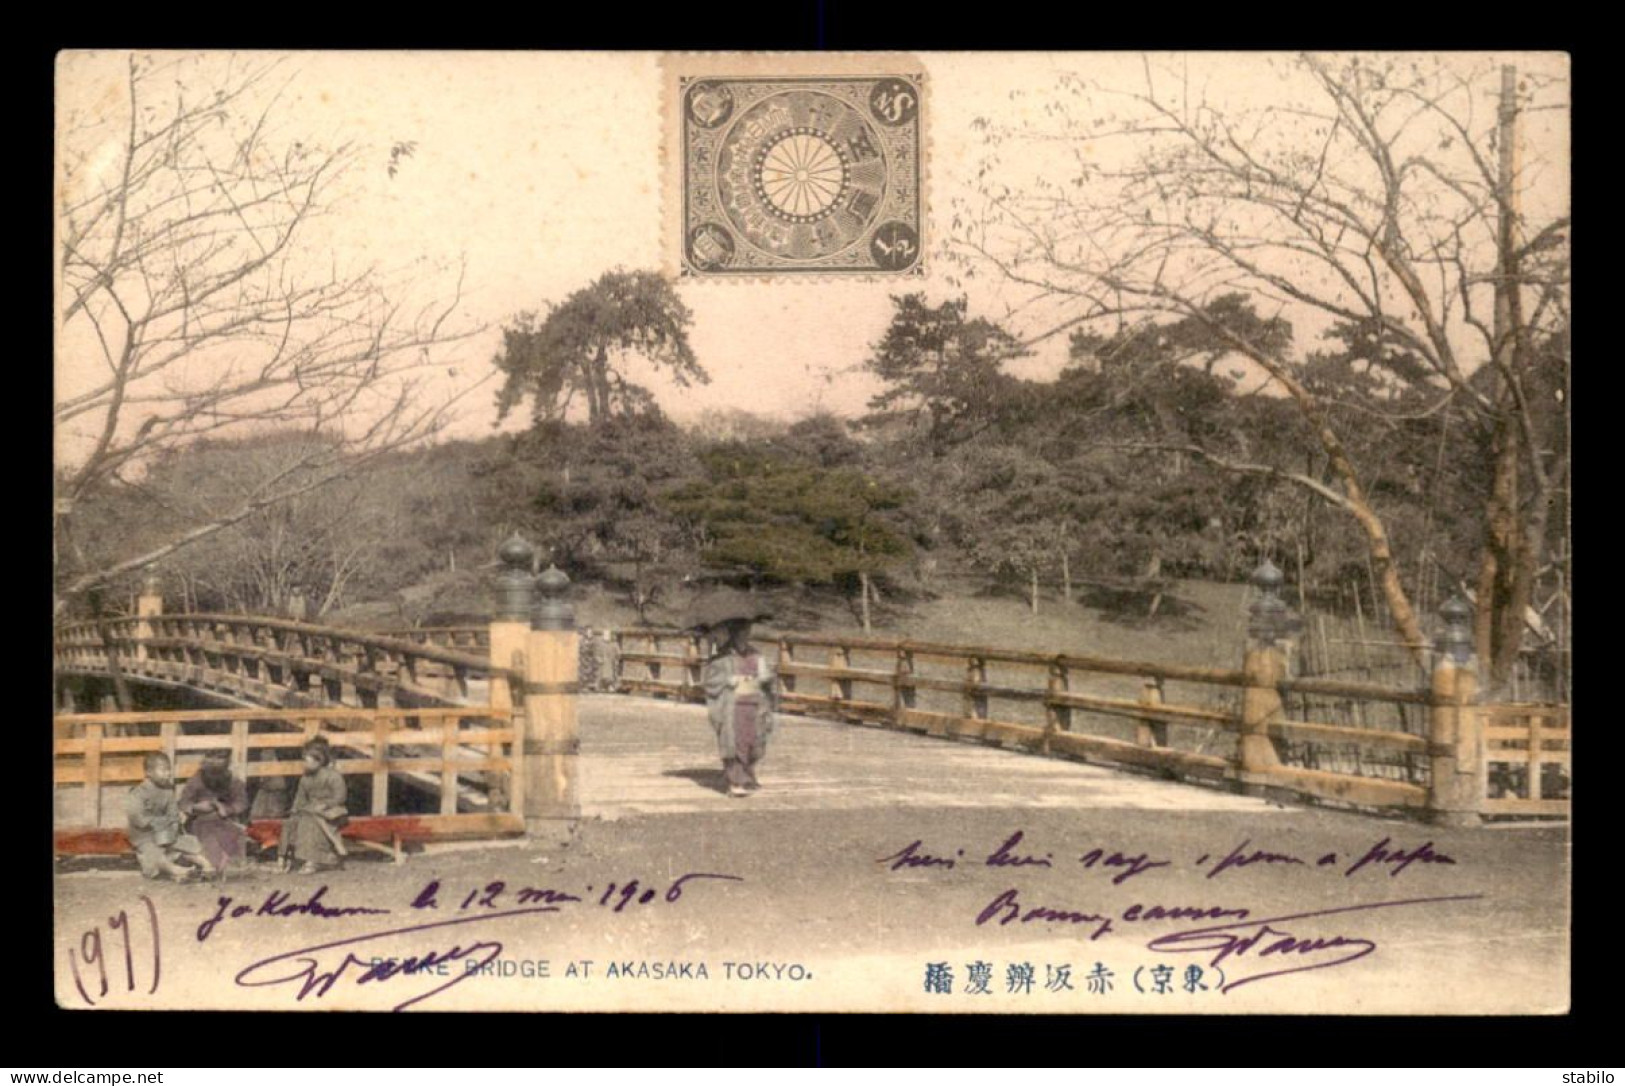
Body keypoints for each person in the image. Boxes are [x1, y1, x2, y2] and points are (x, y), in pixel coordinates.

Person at [701, 617, 779, 798]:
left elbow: (765, 677)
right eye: (741, 632)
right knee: (734, 743)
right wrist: (727, 680)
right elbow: (710, 681)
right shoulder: (723, 657)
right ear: (733, 634)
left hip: (754, 703)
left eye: (747, 632)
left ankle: (748, 776)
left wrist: (765, 677)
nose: (745, 636)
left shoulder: (756, 654)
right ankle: (735, 781)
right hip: (732, 705)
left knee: (753, 741)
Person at [125, 753, 205, 881]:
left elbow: (173, 813)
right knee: (154, 855)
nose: (168, 773)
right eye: (163, 770)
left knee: (190, 845)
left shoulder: (167, 791)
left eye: (169, 769)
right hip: (145, 837)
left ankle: (205, 865)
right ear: (149, 772)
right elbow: (137, 817)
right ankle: (178, 871)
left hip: (166, 835)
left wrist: (174, 823)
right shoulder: (137, 793)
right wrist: (159, 822)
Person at [278, 737, 350, 874]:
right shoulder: (305, 778)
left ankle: (313, 861)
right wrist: (295, 810)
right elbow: (300, 798)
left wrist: (325, 804)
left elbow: (340, 797)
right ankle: (286, 859)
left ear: (319, 761)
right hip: (311, 809)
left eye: (307, 760)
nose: (304, 763)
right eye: (304, 760)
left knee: (310, 821)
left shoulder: (333, 776)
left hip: (333, 811)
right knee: (292, 821)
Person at [179, 750, 250, 879]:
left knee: (233, 834)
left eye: (220, 761)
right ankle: (212, 864)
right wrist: (196, 807)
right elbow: (183, 802)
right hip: (200, 822)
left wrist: (228, 809)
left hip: (225, 821)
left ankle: (229, 865)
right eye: (211, 771)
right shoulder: (196, 781)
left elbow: (242, 802)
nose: (216, 763)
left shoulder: (233, 782)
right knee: (207, 838)